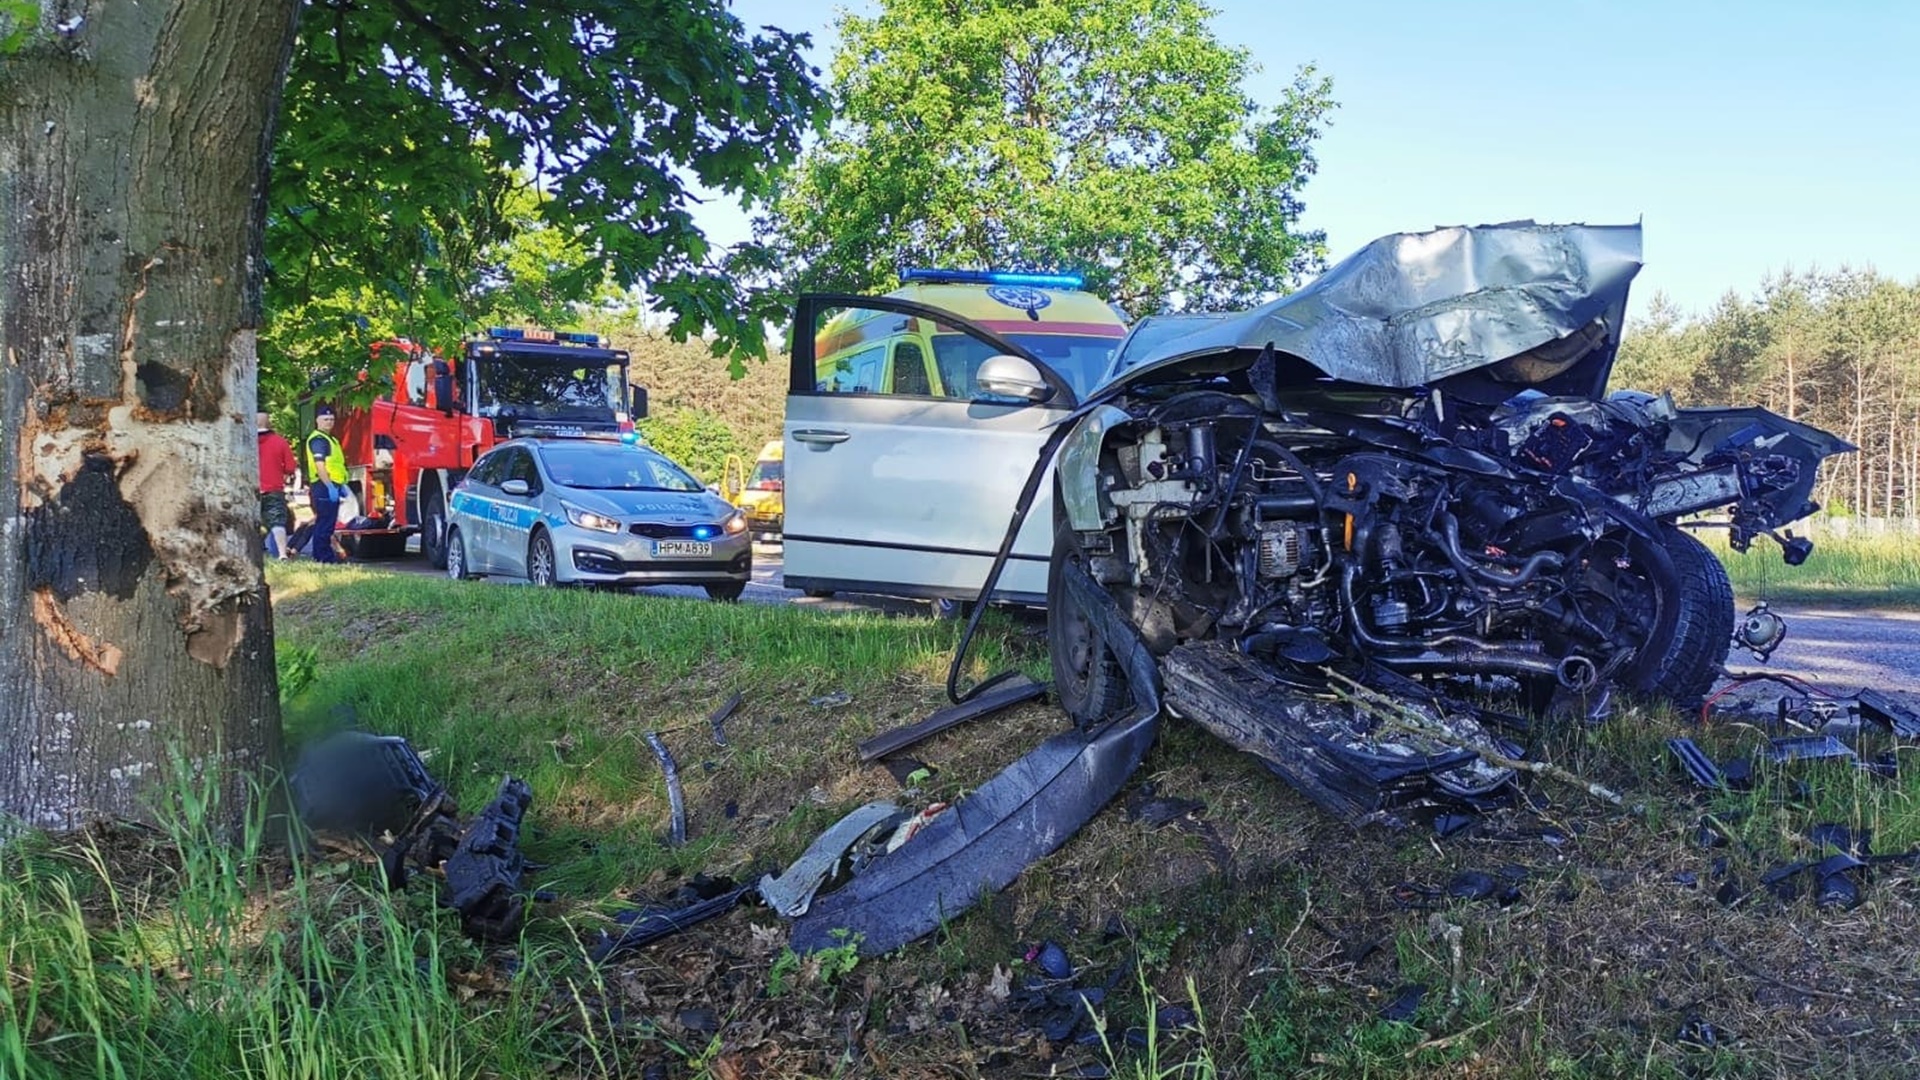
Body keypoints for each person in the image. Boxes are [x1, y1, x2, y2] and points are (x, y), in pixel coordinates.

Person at [304, 405, 349, 564]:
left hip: (332, 485)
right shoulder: (318, 440)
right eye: (325, 419)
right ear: (317, 421)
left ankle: (323, 557)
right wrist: (329, 486)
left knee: (327, 524)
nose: (329, 422)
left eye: (331, 420)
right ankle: (323, 558)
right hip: (324, 486)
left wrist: (339, 485)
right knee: (324, 524)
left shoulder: (331, 439)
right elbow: (320, 465)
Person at [256, 412, 299, 560]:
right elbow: (290, 467)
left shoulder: (244, 440)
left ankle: (253, 551)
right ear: (268, 423)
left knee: (251, 522)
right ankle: (282, 554)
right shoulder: (280, 442)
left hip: (249, 489)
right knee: (277, 521)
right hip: (273, 488)